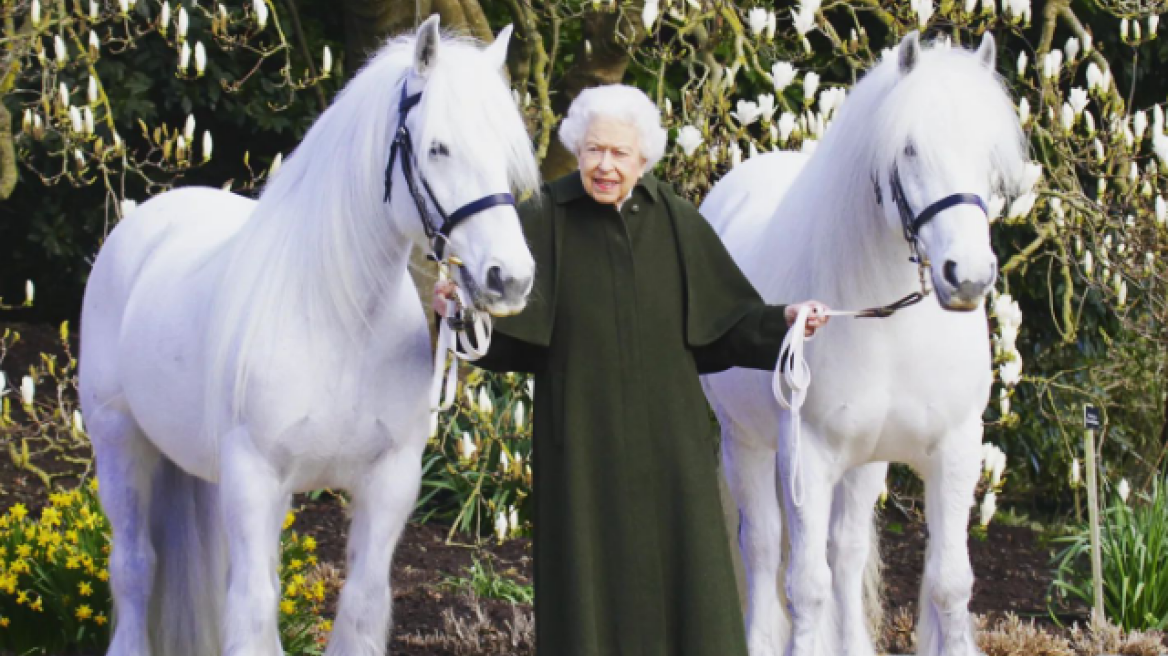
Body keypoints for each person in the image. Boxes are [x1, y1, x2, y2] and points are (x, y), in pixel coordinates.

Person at [433, 84, 829, 656]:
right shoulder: (543, 216)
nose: (605, 166)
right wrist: (457, 313)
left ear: (643, 158)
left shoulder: (673, 218)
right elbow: (504, 332)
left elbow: (727, 322)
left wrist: (785, 321)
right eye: (594, 150)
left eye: (619, 154)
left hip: (671, 450)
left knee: (688, 584)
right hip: (581, 448)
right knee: (587, 588)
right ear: (577, 148)